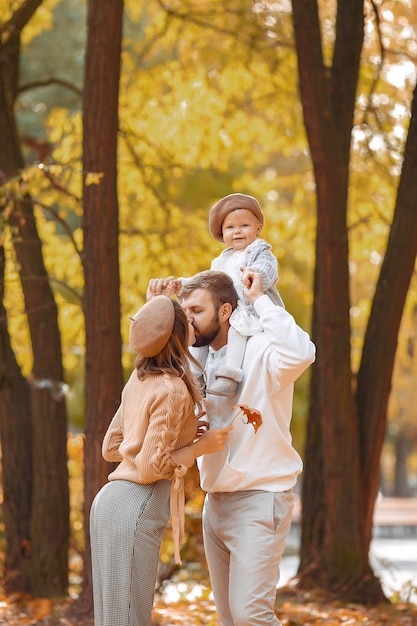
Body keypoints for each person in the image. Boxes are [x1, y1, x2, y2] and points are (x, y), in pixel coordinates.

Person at [147, 269, 316, 626]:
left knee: (251, 616)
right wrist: (157, 307)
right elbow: (155, 371)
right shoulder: (198, 364)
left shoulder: (261, 352)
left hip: (260, 498)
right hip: (216, 502)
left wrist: (260, 300)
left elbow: (302, 353)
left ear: (225, 312)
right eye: (185, 311)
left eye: (197, 311)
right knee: (228, 618)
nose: (188, 320)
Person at [89, 295, 232, 626]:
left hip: (107, 505)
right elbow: (152, 468)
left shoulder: (138, 380)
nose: (194, 323)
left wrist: (179, 435)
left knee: (111, 618)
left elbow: (111, 448)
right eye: (189, 319)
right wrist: (199, 448)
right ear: (179, 335)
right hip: (133, 509)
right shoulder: (172, 389)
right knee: (130, 619)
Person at [168, 192, 284, 396]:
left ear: (258, 229)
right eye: (230, 227)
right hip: (228, 312)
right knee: (199, 332)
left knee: (237, 328)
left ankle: (229, 376)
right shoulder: (222, 260)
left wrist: (256, 274)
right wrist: (182, 285)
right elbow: (205, 284)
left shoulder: (259, 251)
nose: (237, 232)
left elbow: (268, 268)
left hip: (251, 311)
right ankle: (195, 375)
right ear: (222, 233)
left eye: (244, 226)